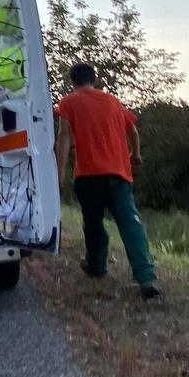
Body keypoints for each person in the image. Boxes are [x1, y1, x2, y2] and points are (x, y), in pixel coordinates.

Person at [54, 62, 161, 299]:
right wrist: (136, 154)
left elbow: (64, 138)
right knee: (130, 223)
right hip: (118, 174)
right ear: (94, 79)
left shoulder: (68, 103)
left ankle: (96, 265)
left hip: (88, 176)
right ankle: (145, 277)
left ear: (73, 82)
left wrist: (59, 172)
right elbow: (132, 131)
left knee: (93, 223)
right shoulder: (113, 101)